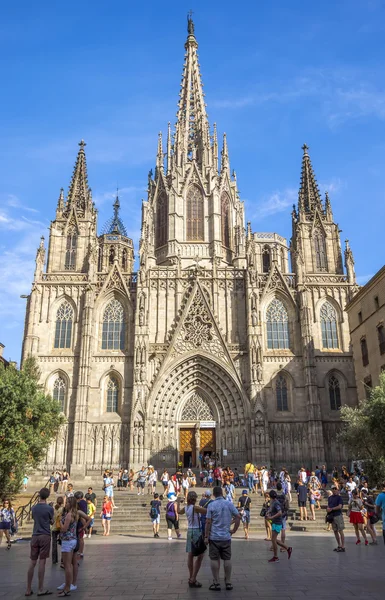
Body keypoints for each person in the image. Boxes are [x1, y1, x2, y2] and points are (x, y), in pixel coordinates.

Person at [204, 486, 241, 591]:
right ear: (222, 493)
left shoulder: (211, 505)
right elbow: (238, 517)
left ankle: (216, 582)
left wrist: (206, 536)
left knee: (214, 558)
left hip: (214, 537)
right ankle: (228, 582)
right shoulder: (229, 504)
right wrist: (234, 530)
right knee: (227, 559)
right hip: (226, 536)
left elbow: (208, 522)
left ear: (214, 494)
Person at [57, 496, 90, 596]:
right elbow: (88, 519)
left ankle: (67, 588)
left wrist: (59, 523)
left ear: (70, 504)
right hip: (74, 540)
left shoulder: (69, 515)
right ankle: (69, 584)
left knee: (67, 565)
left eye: (67, 503)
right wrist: (83, 527)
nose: (65, 504)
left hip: (67, 540)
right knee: (72, 563)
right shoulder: (77, 513)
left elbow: (64, 529)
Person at [25, 488, 54, 597]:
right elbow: (51, 521)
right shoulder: (49, 508)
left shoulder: (34, 508)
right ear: (47, 496)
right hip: (45, 535)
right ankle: (40, 588)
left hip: (35, 535)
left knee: (32, 562)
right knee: (42, 561)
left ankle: (28, 588)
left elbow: (34, 518)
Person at [178, 490, 207, 588]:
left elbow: (178, 511)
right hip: (196, 531)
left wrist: (178, 502)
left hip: (189, 531)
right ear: (195, 499)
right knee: (200, 555)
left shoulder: (185, 508)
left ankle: (191, 577)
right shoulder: (196, 508)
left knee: (190, 555)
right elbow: (207, 511)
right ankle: (193, 577)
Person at [266, 490, 292, 562]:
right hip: (275, 522)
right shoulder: (273, 502)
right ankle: (287, 548)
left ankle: (276, 556)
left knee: (273, 539)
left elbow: (280, 512)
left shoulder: (276, 503)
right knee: (273, 539)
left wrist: (271, 517)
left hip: (277, 523)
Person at [327, 485, 345, 552]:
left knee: (340, 530)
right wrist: (328, 509)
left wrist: (331, 509)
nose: (334, 490)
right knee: (335, 531)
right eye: (333, 489)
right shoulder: (330, 498)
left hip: (338, 515)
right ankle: (339, 545)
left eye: (335, 489)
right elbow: (328, 505)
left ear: (337, 490)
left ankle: (343, 546)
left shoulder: (339, 498)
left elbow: (340, 506)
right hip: (332, 515)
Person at [276, 482, 289, 549]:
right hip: (283, 513)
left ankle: (273, 545)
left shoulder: (275, 495)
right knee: (283, 530)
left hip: (276, 514)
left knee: (275, 530)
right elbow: (287, 505)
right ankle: (283, 545)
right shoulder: (284, 495)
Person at [52, 496, 64, 564]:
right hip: (61, 527)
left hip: (54, 527)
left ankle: (54, 559)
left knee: (54, 544)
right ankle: (62, 559)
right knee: (63, 543)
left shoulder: (54, 509)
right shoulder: (62, 509)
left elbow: (52, 518)